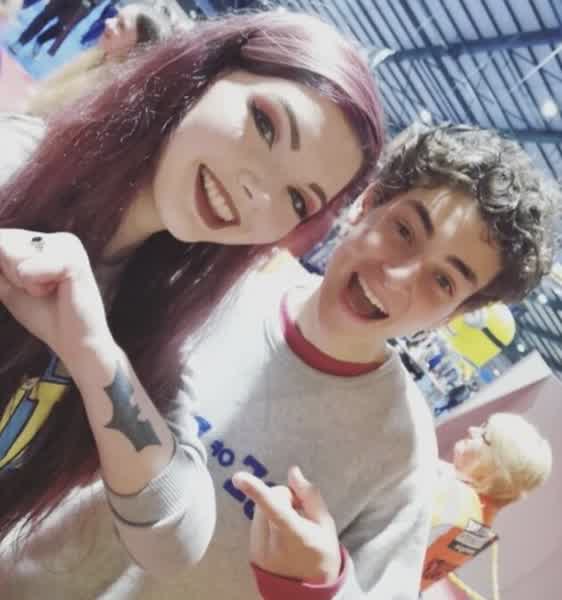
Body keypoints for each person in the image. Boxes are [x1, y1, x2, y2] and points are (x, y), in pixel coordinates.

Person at [2, 123, 556, 599]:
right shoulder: (209, 289)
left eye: (444, 281)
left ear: (454, 314)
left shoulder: (398, 455)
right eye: (404, 230)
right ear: (366, 205)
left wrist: (321, 581)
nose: (399, 276)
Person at [0, 9, 384, 578]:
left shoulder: (145, 327)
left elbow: (174, 538)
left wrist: (91, 351)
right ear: (204, 74)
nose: (258, 190)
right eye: (266, 125)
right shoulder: (14, 163)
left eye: (297, 199)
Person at [422, 413, 552, 595]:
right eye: (482, 425)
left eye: (484, 436)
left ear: (496, 470)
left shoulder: (452, 499)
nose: (471, 430)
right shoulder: (479, 526)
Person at [25, 3, 174, 117]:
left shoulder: (111, 98)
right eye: (116, 17)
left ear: (139, 49)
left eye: (121, 25)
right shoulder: (93, 61)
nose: (108, 22)